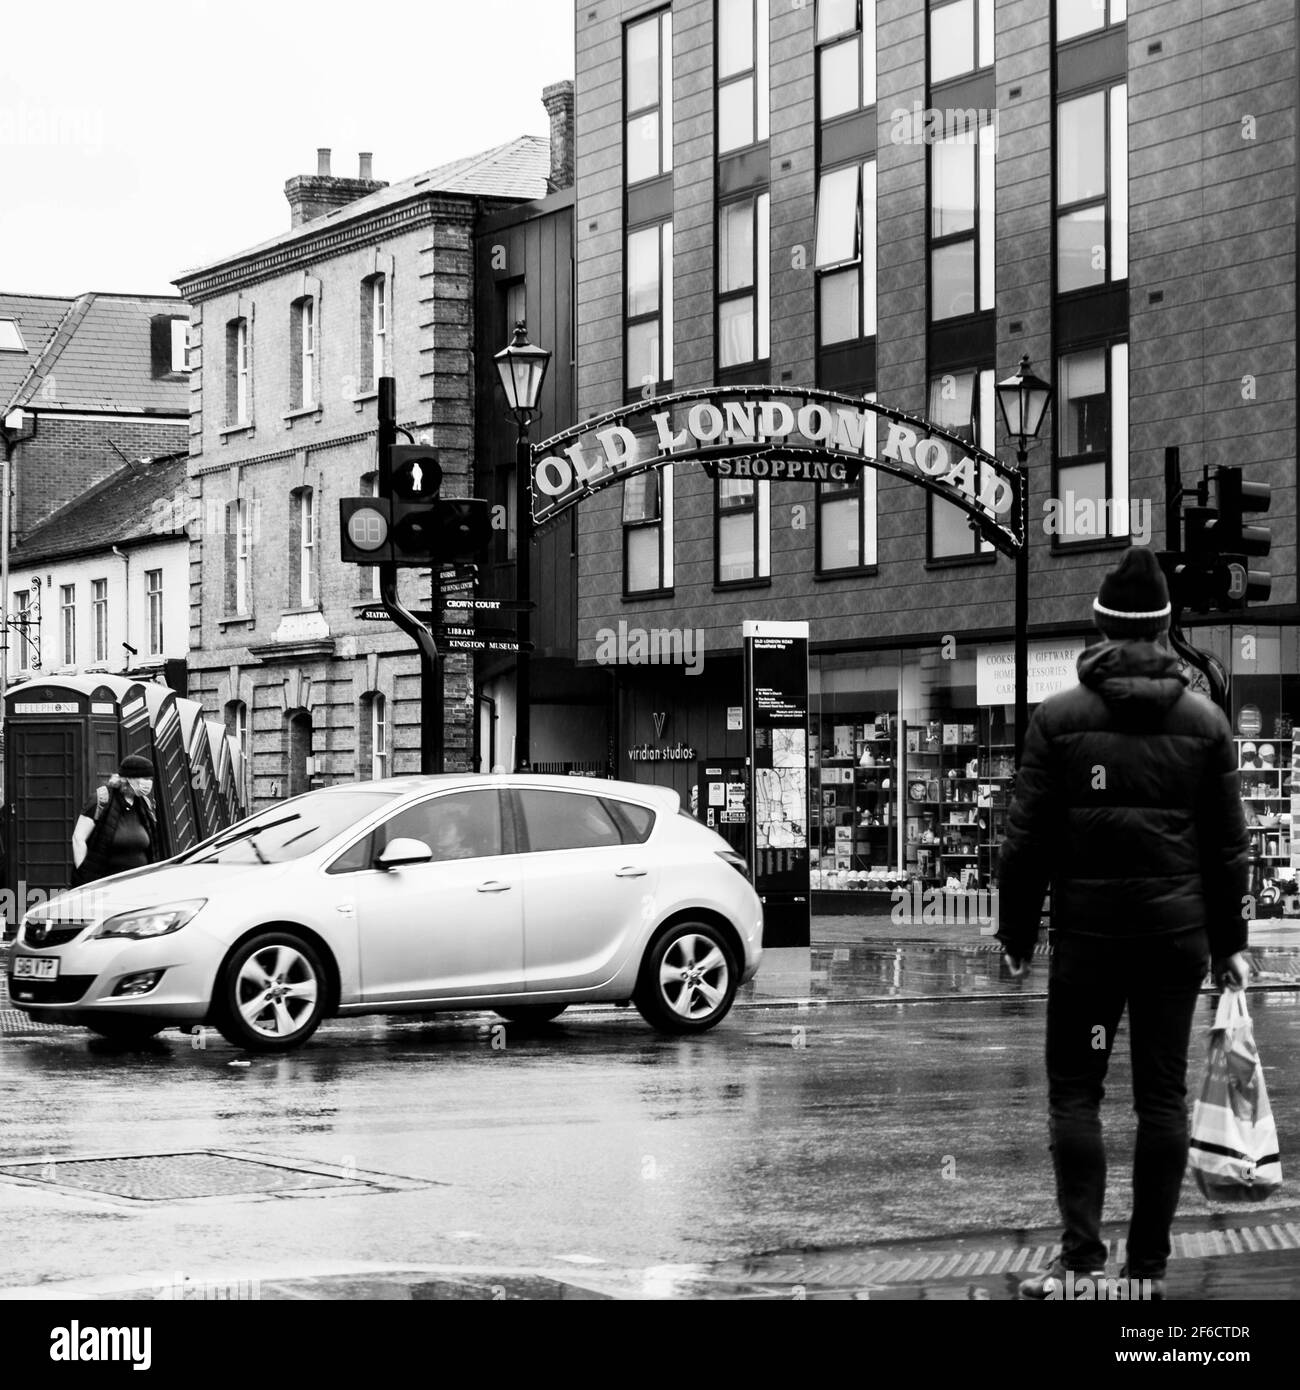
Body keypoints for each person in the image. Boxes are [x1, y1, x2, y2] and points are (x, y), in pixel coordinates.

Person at [996, 546, 1252, 1301]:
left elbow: (1025, 838)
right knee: (1161, 1100)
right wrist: (1230, 945)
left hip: (1089, 943)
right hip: (1175, 940)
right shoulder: (1206, 723)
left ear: (1101, 627)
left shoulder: (1059, 718)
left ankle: (1080, 1261)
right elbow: (1228, 846)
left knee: (1076, 1094)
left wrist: (1016, 936)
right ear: (1168, 628)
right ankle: (1147, 1269)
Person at [71, 755, 161, 886]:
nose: (148, 783)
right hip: (106, 888)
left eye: (150, 779)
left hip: (140, 886)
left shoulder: (144, 804)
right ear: (128, 778)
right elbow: (78, 838)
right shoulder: (101, 799)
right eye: (145, 778)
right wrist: (85, 880)